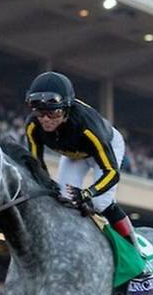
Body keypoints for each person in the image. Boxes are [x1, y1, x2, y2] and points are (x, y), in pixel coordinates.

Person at [23, 71, 146, 262]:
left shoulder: (88, 127)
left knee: (100, 203)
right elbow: (36, 164)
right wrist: (47, 185)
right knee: (62, 200)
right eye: (39, 112)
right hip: (74, 154)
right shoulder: (32, 126)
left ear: (66, 109)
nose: (45, 119)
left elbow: (111, 173)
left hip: (104, 149)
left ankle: (136, 254)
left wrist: (88, 193)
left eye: (52, 112)